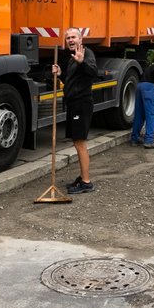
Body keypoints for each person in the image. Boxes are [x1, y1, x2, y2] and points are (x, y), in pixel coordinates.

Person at [53, 27, 99, 194]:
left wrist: (82, 62)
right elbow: (72, 80)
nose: (70, 40)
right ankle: (82, 177)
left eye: (73, 37)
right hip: (73, 103)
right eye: (68, 38)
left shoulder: (86, 54)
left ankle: (86, 182)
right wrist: (60, 74)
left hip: (82, 103)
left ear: (81, 39)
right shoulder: (73, 57)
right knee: (76, 141)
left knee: (80, 142)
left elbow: (93, 72)